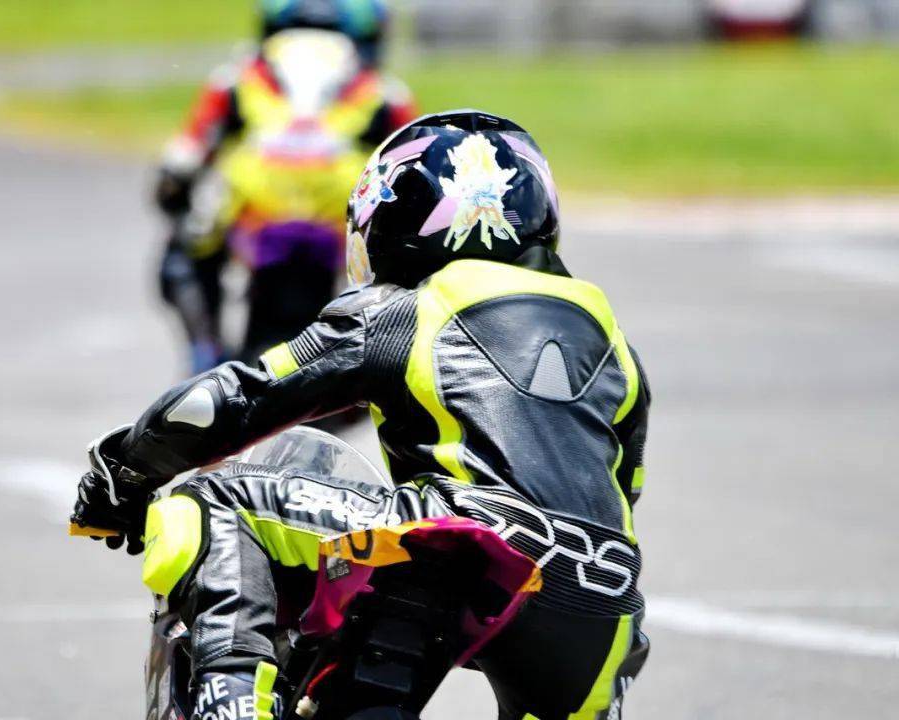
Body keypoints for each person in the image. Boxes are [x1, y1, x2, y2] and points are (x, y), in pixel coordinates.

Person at [74, 110, 651, 720]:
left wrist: (121, 473)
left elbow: (217, 406)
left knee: (213, 501)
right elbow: (621, 490)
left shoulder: (407, 309)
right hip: (604, 596)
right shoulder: (616, 346)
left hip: (461, 537)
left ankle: (232, 702)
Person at [155, 0, 417, 373]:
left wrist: (173, 198)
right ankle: (386, 365)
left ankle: (205, 354)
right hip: (342, 222)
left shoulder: (237, 77)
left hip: (255, 213)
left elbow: (182, 162)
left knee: (183, 248)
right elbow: (414, 162)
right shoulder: (383, 90)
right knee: (412, 254)